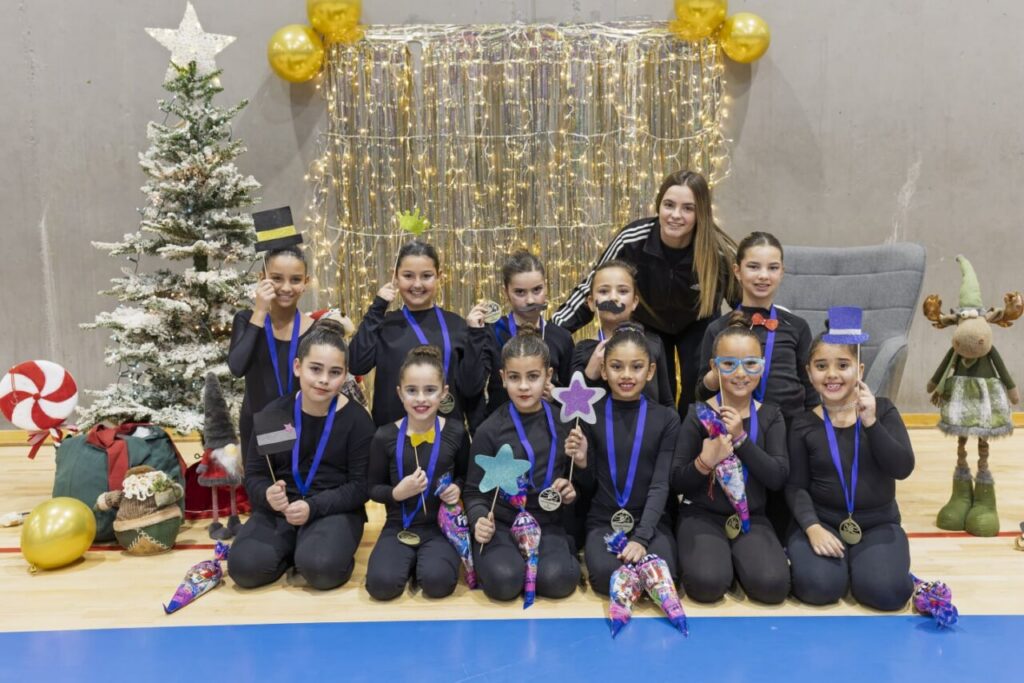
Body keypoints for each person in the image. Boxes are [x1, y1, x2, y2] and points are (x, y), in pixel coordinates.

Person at [553, 170, 738, 415]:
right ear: (658, 205)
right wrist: (553, 331)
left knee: (699, 386)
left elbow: (745, 304)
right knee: (656, 388)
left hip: (699, 323)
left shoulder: (717, 252)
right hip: (648, 322)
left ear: (701, 213)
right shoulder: (632, 239)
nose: (675, 215)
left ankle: (694, 443)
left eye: (687, 208)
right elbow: (593, 285)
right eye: (669, 205)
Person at [229, 317, 374, 590]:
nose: (323, 380)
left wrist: (313, 508)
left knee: (323, 571)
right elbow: (257, 475)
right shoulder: (277, 414)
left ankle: (310, 548)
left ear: (344, 375)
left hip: (333, 509)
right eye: (315, 369)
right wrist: (268, 496)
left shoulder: (357, 420)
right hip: (280, 510)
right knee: (245, 569)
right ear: (298, 367)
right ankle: (291, 547)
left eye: (334, 372)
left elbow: (360, 486)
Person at [696, 231, 816, 537]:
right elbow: (700, 391)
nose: (763, 276)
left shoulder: (797, 327)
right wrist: (719, 371)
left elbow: (809, 387)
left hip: (785, 429)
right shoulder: (717, 329)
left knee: (782, 499)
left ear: (782, 272)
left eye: (772, 267)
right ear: (737, 271)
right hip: (734, 426)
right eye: (753, 267)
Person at [786, 327, 915, 611]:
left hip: (878, 523)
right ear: (809, 373)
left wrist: (870, 422)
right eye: (822, 366)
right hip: (824, 521)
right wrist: (812, 527)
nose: (832, 374)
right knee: (819, 588)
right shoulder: (802, 424)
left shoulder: (883, 410)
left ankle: (871, 567)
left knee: (886, 593)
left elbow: (902, 468)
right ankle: (841, 568)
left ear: (860, 369)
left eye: (842, 365)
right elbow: (795, 486)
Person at [672, 322, 790, 604]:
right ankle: (721, 559)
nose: (740, 373)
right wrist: (704, 462)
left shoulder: (771, 416)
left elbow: (777, 478)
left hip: (752, 518)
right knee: (705, 585)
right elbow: (676, 479)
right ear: (714, 366)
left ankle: (740, 561)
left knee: (772, 587)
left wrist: (741, 440)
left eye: (750, 364)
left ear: (762, 366)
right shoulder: (698, 414)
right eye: (729, 364)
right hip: (701, 515)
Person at [464, 329, 584, 602]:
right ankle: (498, 558)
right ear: (503, 378)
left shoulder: (566, 423)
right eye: (515, 377)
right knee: (504, 583)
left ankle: (563, 550)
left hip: (548, 522)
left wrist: (571, 488)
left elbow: (578, 479)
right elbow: (473, 492)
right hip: (504, 523)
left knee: (557, 582)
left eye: (533, 376)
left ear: (548, 376)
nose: (524, 386)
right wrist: (479, 520)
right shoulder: (489, 431)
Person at [577, 324, 680, 595]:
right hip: (603, 521)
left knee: (662, 572)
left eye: (636, 367)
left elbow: (660, 484)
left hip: (651, 522)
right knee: (604, 578)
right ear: (603, 370)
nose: (626, 375)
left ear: (651, 371)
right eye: (616, 366)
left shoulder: (666, 419)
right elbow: (587, 487)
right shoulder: (590, 415)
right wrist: (581, 462)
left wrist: (642, 537)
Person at [348, 240, 491, 427]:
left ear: (439, 276)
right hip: (393, 439)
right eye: (408, 275)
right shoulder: (384, 324)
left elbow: (471, 388)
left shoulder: (457, 325)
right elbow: (356, 364)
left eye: (426, 276)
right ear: (396, 276)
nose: (417, 284)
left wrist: (475, 334)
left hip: (448, 439)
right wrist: (377, 308)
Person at [365, 346, 469, 600]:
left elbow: (467, 477)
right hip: (398, 525)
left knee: (438, 584)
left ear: (443, 393)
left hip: (440, 527)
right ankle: (405, 562)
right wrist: (396, 493)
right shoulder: (385, 436)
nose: (421, 399)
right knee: (381, 587)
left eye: (430, 390)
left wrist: (458, 487)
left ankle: (423, 563)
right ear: (400, 393)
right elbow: (371, 488)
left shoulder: (456, 432)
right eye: (412, 391)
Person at [228, 246, 315, 457]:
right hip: (257, 424)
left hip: (301, 425)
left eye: (295, 280)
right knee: (261, 488)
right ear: (262, 278)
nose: (286, 287)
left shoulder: (315, 330)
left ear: (306, 282)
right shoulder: (246, 319)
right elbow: (237, 367)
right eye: (276, 278)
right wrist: (259, 311)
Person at [570, 260, 674, 407]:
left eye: (623, 291)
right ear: (592, 303)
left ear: (634, 302)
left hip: (648, 429)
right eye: (604, 291)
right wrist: (590, 374)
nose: (613, 298)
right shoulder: (582, 350)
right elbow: (572, 408)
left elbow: (666, 401)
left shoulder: (653, 344)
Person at [483, 250, 575, 414]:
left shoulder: (562, 337)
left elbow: (573, 398)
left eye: (537, 290)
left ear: (546, 287)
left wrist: (556, 395)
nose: (530, 300)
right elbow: (471, 388)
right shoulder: (492, 332)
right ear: (505, 292)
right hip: (502, 431)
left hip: (549, 431)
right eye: (520, 292)